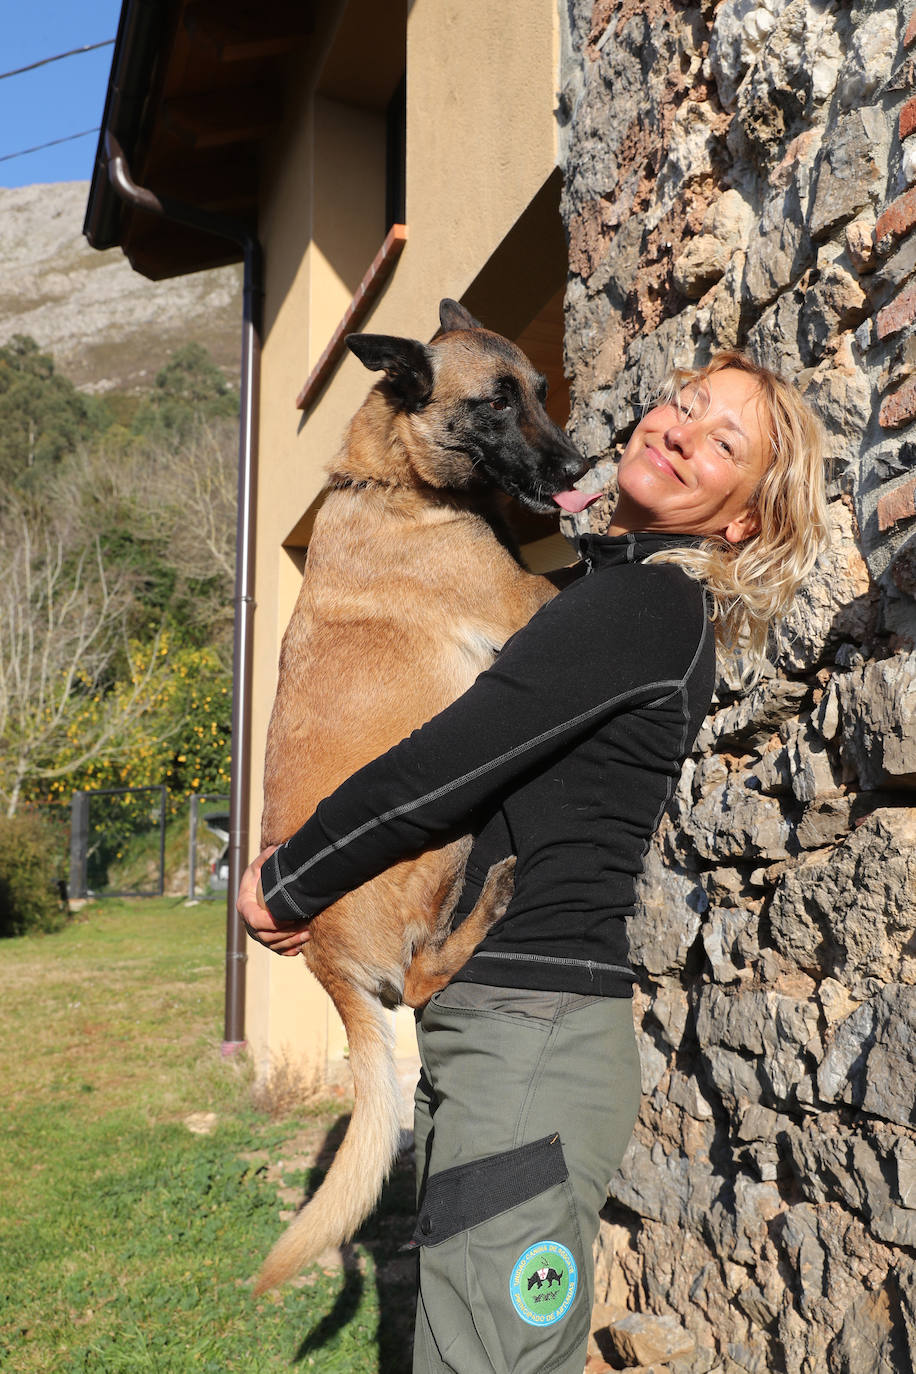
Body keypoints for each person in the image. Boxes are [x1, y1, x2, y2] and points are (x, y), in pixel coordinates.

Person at [238, 350, 828, 1374]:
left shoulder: (637, 608)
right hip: (506, 1035)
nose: (681, 429)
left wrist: (290, 882)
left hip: (532, 1045)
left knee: (485, 1359)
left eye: (722, 442)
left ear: (738, 520)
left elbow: (447, 765)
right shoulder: (612, 597)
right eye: (682, 404)